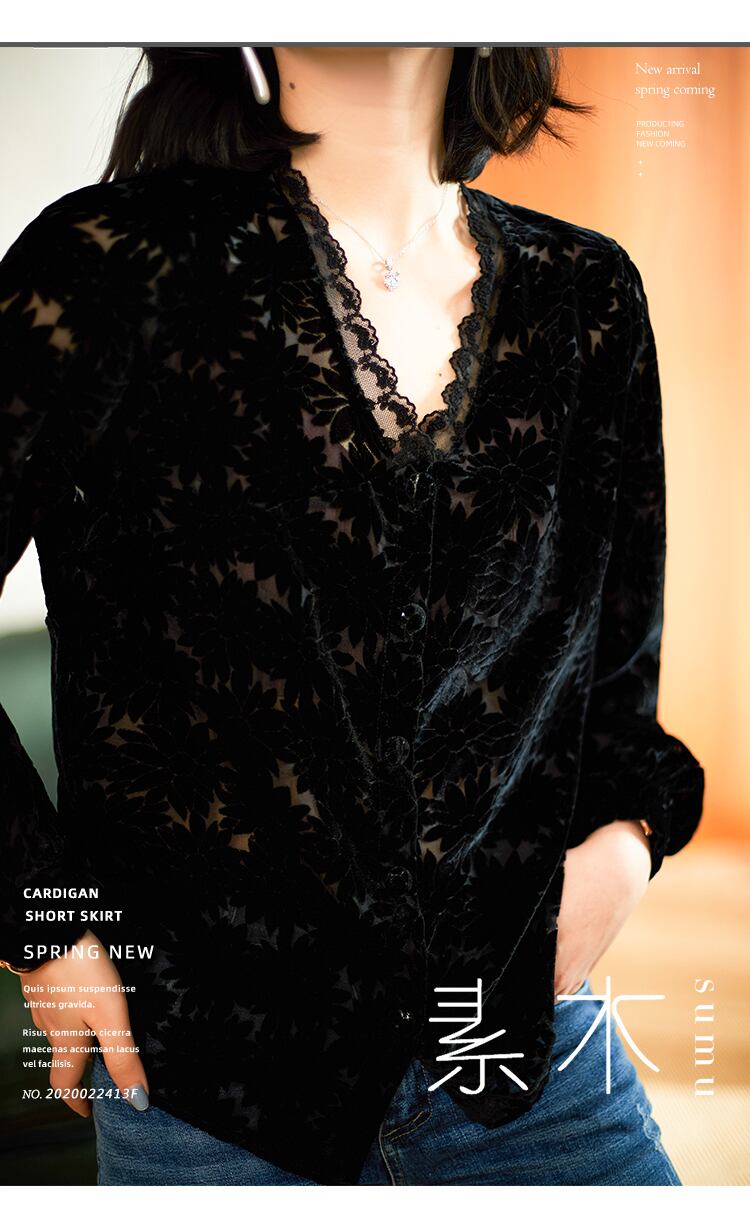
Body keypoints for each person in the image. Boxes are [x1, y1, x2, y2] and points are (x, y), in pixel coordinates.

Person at [0, 46, 704, 1186]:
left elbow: (617, 672)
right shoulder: (106, 263)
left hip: (526, 1061)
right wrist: (46, 928)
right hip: (207, 1094)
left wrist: (623, 846)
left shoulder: (588, 292)